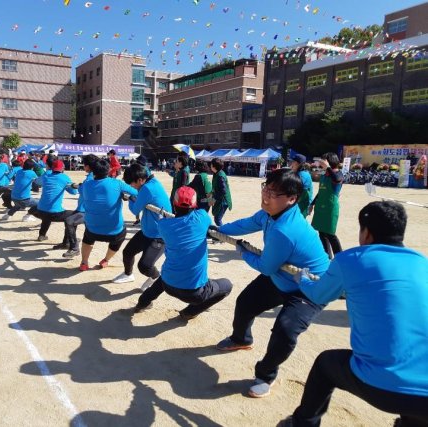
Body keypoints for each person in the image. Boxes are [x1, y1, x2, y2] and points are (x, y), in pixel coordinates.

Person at [282, 201, 428, 427]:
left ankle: (303, 423)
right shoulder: (421, 262)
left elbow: (319, 295)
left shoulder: (351, 259)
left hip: (382, 383)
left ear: (366, 233)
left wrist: (301, 278)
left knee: (325, 365)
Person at [214, 168, 330, 398]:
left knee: (285, 331)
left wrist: (242, 250)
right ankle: (241, 339)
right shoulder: (269, 213)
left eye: (274, 193)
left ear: (292, 199)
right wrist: (218, 231)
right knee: (246, 302)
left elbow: (265, 266)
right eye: (266, 188)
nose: (266, 196)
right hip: (283, 277)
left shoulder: (286, 230)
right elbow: (248, 223)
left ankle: (266, 375)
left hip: (311, 288)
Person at [134, 186, 233, 320]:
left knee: (167, 275)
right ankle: (190, 312)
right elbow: (202, 217)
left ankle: (142, 303)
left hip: (168, 284)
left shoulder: (163, 225)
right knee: (227, 285)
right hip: (194, 293)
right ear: (194, 205)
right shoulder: (202, 217)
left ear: (174, 206)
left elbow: (171, 224)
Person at [112, 163, 172, 290]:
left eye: (132, 184)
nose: (131, 186)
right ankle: (128, 274)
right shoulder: (152, 181)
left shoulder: (146, 189)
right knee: (127, 252)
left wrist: (131, 199)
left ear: (140, 180)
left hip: (159, 235)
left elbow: (134, 210)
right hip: (147, 230)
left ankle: (156, 278)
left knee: (145, 266)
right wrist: (136, 197)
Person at [79, 158, 138, 271]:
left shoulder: (86, 185)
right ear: (109, 170)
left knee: (87, 238)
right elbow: (136, 192)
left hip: (92, 230)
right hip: (114, 232)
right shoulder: (117, 183)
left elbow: (81, 190)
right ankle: (105, 260)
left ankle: (84, 262)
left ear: (93, 171)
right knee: (121, 235)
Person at [57, 154, 98, 258]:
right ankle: (67, 243)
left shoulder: (90, 178)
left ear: (88, 166)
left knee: (69, 221)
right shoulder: (94, 175)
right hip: (83, 208)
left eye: (84, 165)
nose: (84, 167)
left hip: (85, 211)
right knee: (69, 218)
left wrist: (78, 186)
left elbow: (80, 190)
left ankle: (74, 248)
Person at [28, 159, 77, 241]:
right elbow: (74, 192)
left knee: (47, 213)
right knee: (73, 216)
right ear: (62, 168)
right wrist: (68, 186)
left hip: (40, 211)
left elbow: (37, 182)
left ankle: (42, 235)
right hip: (54, 214)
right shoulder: (64, 177)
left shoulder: (46, 176)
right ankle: (67, 242)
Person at [309, 152, 343, 258]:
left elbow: (336, 179)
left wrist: (328, 167)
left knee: (330, 234)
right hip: (320, 207)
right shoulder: (325, 175)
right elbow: (321, 192)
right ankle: (327, 256)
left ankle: (340, 258)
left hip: (330, 208)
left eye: (323, 161)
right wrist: (312, 204)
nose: (321, 164)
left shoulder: (338, 173)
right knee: (321, 233)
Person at [210, 157, 232, 227]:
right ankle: (221, 232)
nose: (210, 166)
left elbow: (223, 191)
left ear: (214, 166)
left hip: (223, 201)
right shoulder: (217, 173)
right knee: (217, 218)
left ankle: (222, 233)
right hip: (220, 199)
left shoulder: (220, 176)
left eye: (211, 165)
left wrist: (213, 199)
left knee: (217, 219)